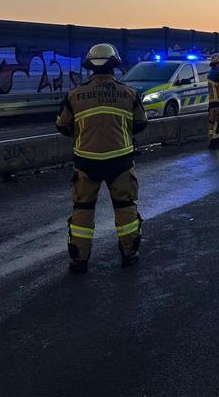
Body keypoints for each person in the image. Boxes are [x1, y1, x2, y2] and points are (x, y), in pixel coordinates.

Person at [55, 43, 147, 273]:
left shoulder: (74, 95)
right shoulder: (129, 93)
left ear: (90, 67)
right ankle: (129, 253)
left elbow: (63, 126)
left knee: (83, 209)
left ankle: (79, 259)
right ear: (114, 65)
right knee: (125, 207)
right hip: (121, 159)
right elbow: (141, 123)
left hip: (86, 161)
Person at [206, 53, 219, 149]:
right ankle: (215, 142)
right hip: (217, 101)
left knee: (211, 121)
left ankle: (211, 140)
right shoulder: (218, 74)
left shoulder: (211, 72)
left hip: (211, 100)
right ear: (217, 63)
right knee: (217, 122)